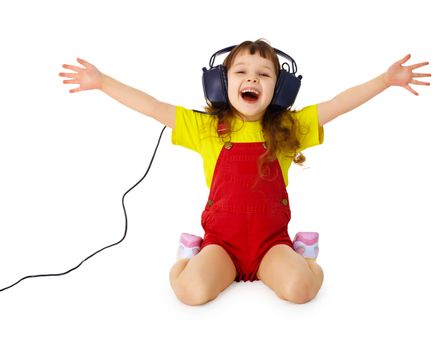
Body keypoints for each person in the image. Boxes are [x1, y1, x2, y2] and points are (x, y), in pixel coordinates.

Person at [59, 39, 430, 306]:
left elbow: (337, 105)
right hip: (222, 244)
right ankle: (187, 257)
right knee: (190, 293)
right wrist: (102, 82)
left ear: (279, 90)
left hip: (272, 244)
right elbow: (153, 106)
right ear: (222, 83)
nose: (252, 79)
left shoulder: (288, 127)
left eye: (264, 74)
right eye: (241, 71)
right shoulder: (205, 128)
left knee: (301, 291)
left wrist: (384, 80)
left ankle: (307, 258)